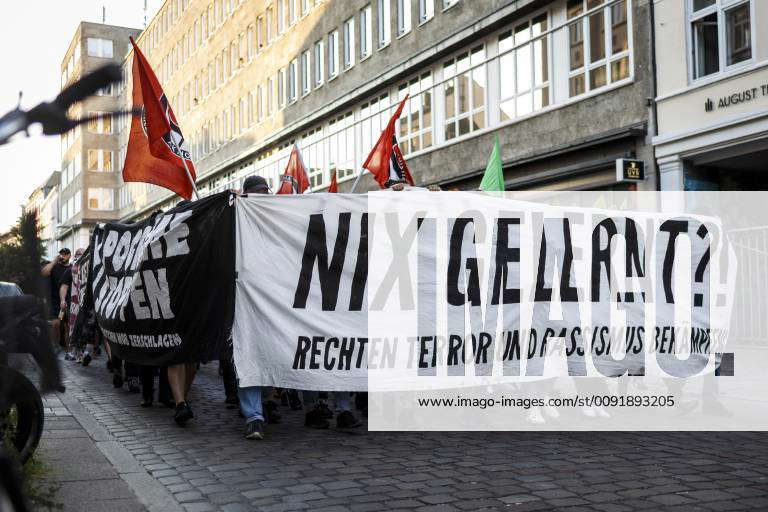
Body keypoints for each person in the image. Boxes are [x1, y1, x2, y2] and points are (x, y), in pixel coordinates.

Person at [41, 248, 71, 354]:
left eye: (65, 254)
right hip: (56, 302)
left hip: (69, 301)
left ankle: (68, 349)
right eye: (61, 254)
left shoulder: (72, 268)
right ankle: (55, 345)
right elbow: (43, 273)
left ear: (69, 256)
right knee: (56, 324)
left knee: (67, 326)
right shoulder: (55, 267)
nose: (63, 256)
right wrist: (54, 261)